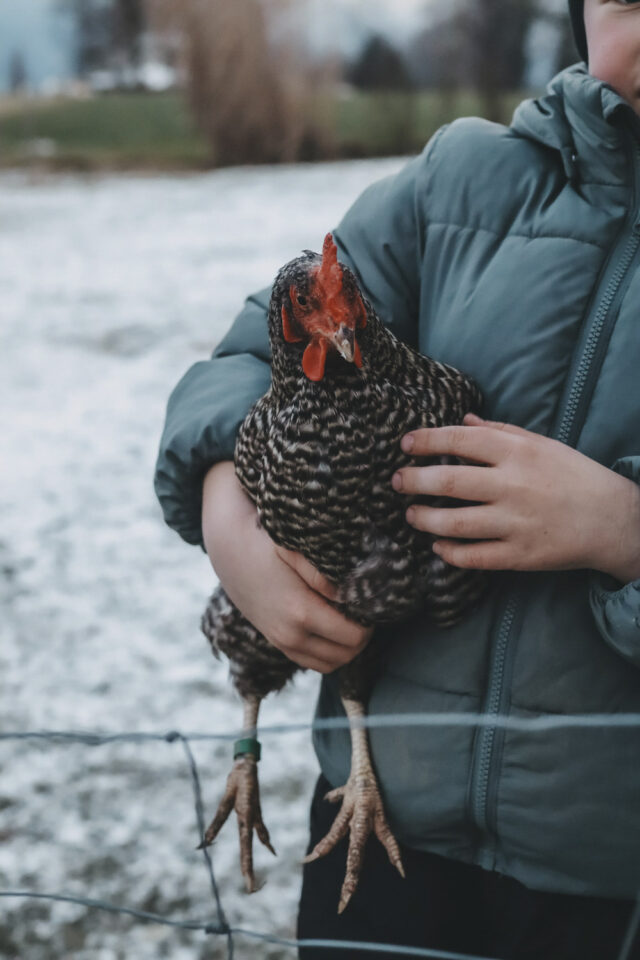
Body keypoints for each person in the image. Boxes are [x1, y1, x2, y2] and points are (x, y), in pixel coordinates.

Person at [154, 2, 640, 956]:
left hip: (608, 874)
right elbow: (252, 352)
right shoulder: (464, 181)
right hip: (379, 832)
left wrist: (621, 526)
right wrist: (229, 504)